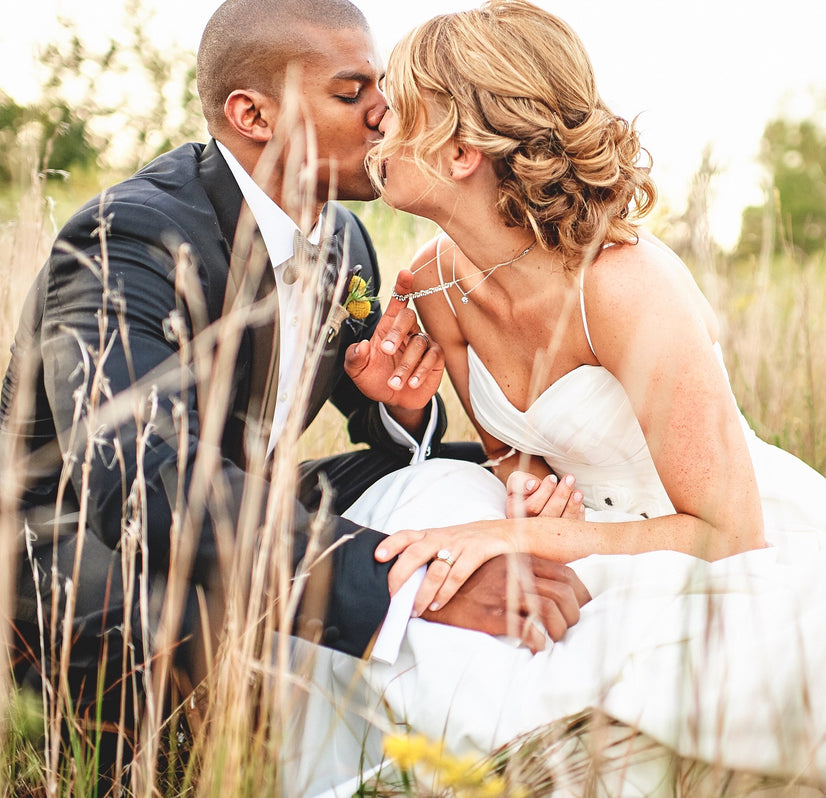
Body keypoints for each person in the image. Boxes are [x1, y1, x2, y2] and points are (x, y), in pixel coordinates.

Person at [283, 2, 826, 796]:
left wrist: (515, 531)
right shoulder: (434, 283)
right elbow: (515, 452)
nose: (375, 121)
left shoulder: (626, 286)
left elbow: (725, 531)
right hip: (589, 544)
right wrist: (514, 479)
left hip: (718, 538)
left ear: (463, 151)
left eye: (396, 106)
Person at [0, 0, 588, 785]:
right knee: (213, 632)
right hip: (66, 545)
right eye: (352, 95)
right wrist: (404, 589)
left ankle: (519, 708)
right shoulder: (128, 240)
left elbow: (370, 417)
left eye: (381, 87)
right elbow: (140, 477)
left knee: (466, 485)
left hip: (230, 497)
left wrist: (402, 408)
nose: (387, 113)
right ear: (252, 113)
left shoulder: (344, 240)